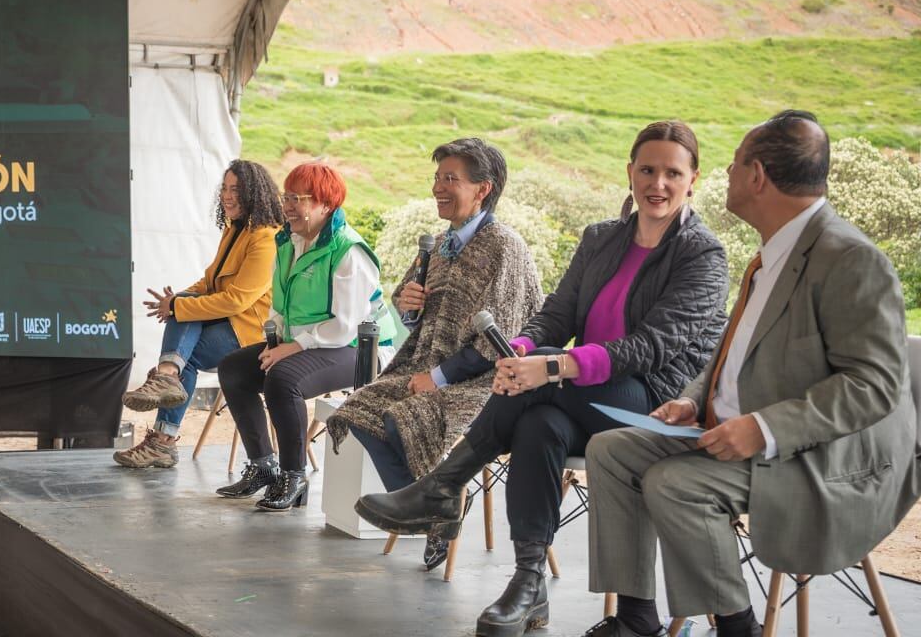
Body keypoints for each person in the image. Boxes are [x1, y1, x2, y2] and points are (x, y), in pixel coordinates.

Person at [355, 120, 729, 637]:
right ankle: (528, 585)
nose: (657, 183)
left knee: (545, 382)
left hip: (651, 405)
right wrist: (521, 352)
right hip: (580, 399)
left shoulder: (702, 254)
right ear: (629, 172)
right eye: (647, 169)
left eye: (672, 172)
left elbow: (651, 348)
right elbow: (555, 316)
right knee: (540, 425)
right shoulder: (602, 238)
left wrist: (551, 365)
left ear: (693, 180)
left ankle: (444, 484)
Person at [581, 111, 920, 637]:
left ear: (757, 176)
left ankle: (738, 629)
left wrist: (761, 429)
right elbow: (733, 350)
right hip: (727, 430)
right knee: (610, 448)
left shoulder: (850, 259)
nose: (726, 175)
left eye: (736, 164)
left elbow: (873, 387)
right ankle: (636, 619)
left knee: (675, 483)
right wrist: (694, 400)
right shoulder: (772, 252)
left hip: (815, 455)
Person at [326, 137, 543, 571]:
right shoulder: (440, 245)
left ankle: (432, 509)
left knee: (402, 415)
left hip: (484, 381)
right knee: (357, 410)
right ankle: (432, 516)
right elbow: (416, 320)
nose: (438, 188)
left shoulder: (505, 246)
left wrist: (439, 377)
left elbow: (499, 337)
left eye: (451, 179)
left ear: (483, 188)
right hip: (423, 365)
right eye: (437, 178)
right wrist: (408, 307)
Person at [214, 161, 397, 511]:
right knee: (235, 369)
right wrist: (277, 341)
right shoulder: (287, 242)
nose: (288, 206)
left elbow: (345, 325)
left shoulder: (348, 250)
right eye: (287, 197)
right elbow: (279, 305)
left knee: (283, 380)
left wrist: (292, 348)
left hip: (361, 349)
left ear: (325, 204)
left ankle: (293, 475)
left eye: (299, 198)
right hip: (310, 343)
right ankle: (263, 466)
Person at [113, 160, 284, 468]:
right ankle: (167, 383)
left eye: (237, 190)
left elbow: (236, 301)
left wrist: (177, 306)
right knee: (183, 312)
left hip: (250, 332)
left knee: (184, 347)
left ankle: (163, 433)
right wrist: (175, 299)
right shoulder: (234, 229)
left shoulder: (266, 239)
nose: (228, 196)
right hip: (226, 321)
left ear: (255, 194)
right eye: (225, 189)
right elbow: (208, 283)